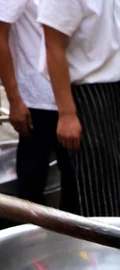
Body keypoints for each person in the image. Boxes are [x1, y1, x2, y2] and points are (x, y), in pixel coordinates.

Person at [37, 0, 120, 218]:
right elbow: (53, 45)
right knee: (100, 193)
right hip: (86, 96)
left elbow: (116, 41)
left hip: (114, 91)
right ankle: (99, 249)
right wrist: (67, 114)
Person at [0, 0, 76, 210]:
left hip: (73, 95)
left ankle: (71, 241)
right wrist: (15, 99)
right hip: (38, 99)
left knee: (76, 182)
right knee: (31, 189)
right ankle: (27, 239)